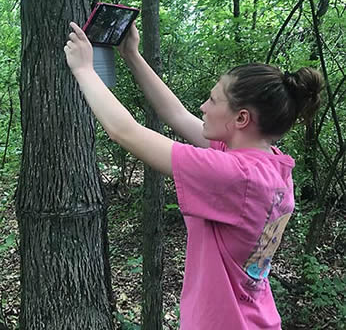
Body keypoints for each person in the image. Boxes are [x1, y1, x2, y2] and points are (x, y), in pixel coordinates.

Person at [64, 21, 323, 330]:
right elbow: (175, 115)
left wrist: (83, 70)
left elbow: (126, 132)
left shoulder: (235, 176)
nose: (203, 106)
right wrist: (131, 54)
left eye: (213, 100)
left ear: (241, 118)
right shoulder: (271, 165)